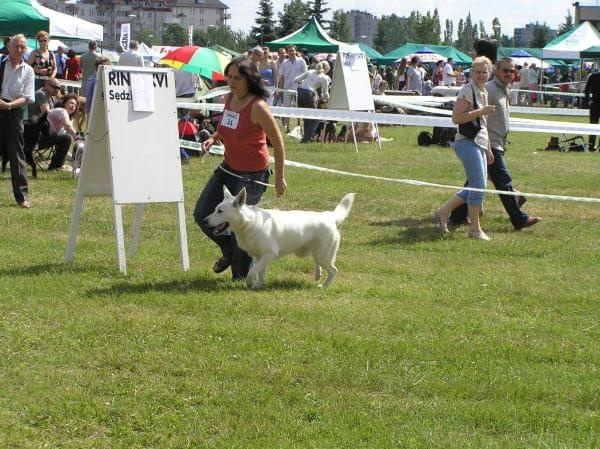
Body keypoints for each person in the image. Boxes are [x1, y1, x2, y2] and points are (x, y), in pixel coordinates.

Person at [193, 56, 287, 280]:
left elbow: (279, 143)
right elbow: (226, 126)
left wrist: (279, 178)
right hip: (228, 169)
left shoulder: (258, 107)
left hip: (253, 177)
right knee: (202, 214)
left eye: (237, 78)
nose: (232, 82)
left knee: (242, 230)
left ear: (249, 79)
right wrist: (213, 138)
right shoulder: (229, 98)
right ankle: (228, 251)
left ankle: (243, 277)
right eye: (229, 77)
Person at [449, 58, 542, 230]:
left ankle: (456, 215)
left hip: (495, 144)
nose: (508, 74)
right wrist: (485, 143)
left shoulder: (503, 89)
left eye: (511, 71)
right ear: (497, 71)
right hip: (488, 144)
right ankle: (519, 219)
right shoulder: (490, 88)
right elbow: (470, 113)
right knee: (503, 181)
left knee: (475, 181)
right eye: (505, 70)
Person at [433, 56, 496, 240]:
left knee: (479, 186)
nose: (481, 75)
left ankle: (443, 212)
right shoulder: (467, 91)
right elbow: (456, 118)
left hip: (480, 142)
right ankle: (474, 229)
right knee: (478, 186)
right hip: (466, 142)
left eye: (484, 72)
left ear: (489, 73)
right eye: (478, 72)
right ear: (472, 73)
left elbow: (483, 125)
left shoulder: (484, 92)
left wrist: (489, 148)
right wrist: (480, 111)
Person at [0, 34, 35, 208]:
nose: (20, 50)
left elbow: (27, 97)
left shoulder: (28, 71)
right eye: (17, 46)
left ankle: (22, 197)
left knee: (17, 154)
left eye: (23, 47)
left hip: (14, 113)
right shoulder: (0, 63)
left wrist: (8, 105)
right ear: (9, 47)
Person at [24, 93, 79, 172]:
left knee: (65, 137)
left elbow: (62, 148)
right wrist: (79, 139)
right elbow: (68, 126)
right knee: (67, 137)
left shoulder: (61, 119)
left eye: (75, 105)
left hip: (39, 140)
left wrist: (75, 158)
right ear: (64, 103)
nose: (73, 106)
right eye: (71, 103)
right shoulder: (62, 111)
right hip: (38, 138)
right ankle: (54, 167)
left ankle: (57, 167)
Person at [294, 61, 330, 143]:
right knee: (316, 118)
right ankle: (306, 139)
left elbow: (295, 80)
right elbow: (326, 94)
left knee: (307, 116)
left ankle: (307, 138)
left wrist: (304, 83)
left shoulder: (310, 71)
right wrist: (327, 98)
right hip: (308, 95)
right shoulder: (324, 77)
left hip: (299, 94)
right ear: (326, 69)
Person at [278, 45, 307, 132]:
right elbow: (282, 77)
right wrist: (280, 89)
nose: (291, 52)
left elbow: (306, 74)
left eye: (293, 50)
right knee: (286, 108)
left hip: (298, 88)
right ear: (287, 52)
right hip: (287, 88)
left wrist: (302, 84)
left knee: (298, 108)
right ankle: (287, 127)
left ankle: (299, 127)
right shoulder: (284, 63)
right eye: (289, 51)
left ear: (295, 51)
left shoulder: (301, 61)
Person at [584, 69, 600, 151]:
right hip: (595, 104)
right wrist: (589, 100)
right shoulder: (594, 76)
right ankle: (591, 146)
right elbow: (586, 89)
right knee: (593, 125)